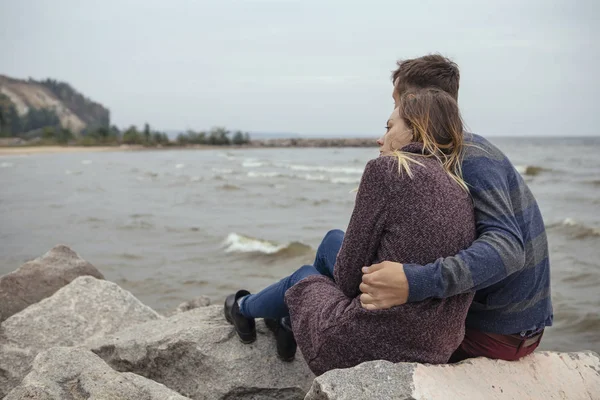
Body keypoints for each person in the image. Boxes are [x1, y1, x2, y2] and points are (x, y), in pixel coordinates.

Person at [225, 87, 477, 375]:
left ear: (415, 129)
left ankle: (241, 307)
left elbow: (347, 280)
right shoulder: (459, 186)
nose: (380, 138)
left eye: (389, 126)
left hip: (371, 344)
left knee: (303, 277)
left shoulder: (389, 169)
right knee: (333, 239)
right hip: (437, 346)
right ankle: (286, 322)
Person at [359, 55, 553, 362]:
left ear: (412, 104)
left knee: (333, 253)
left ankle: (282, 315)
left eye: (396, 102)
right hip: (505, 328)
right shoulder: (447, 153)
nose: (393, 112)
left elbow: (507, 249)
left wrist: (414, 281)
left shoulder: (469, 156)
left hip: (495, 334)